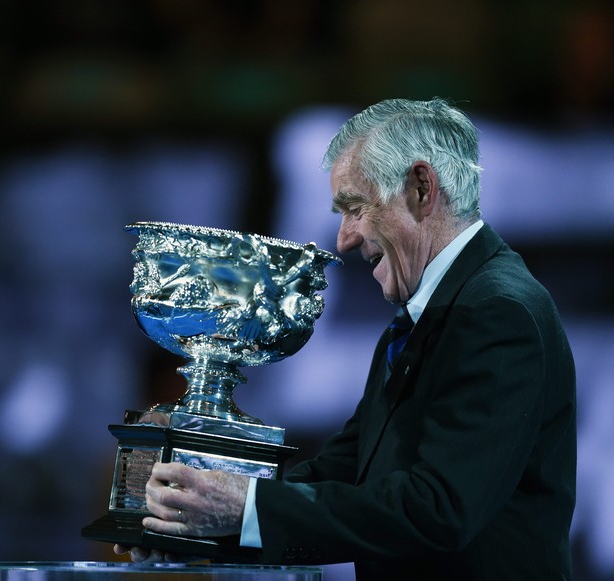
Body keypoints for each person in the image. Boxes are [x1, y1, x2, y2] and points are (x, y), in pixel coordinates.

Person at [115, 98, 577, 579]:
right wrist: (198, 518)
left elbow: (439, 508)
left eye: (356, 208)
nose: (344, 239)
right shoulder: (429, 313)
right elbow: (349, 469)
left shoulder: (497, 313)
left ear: (421, 188)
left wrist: (245, 508)